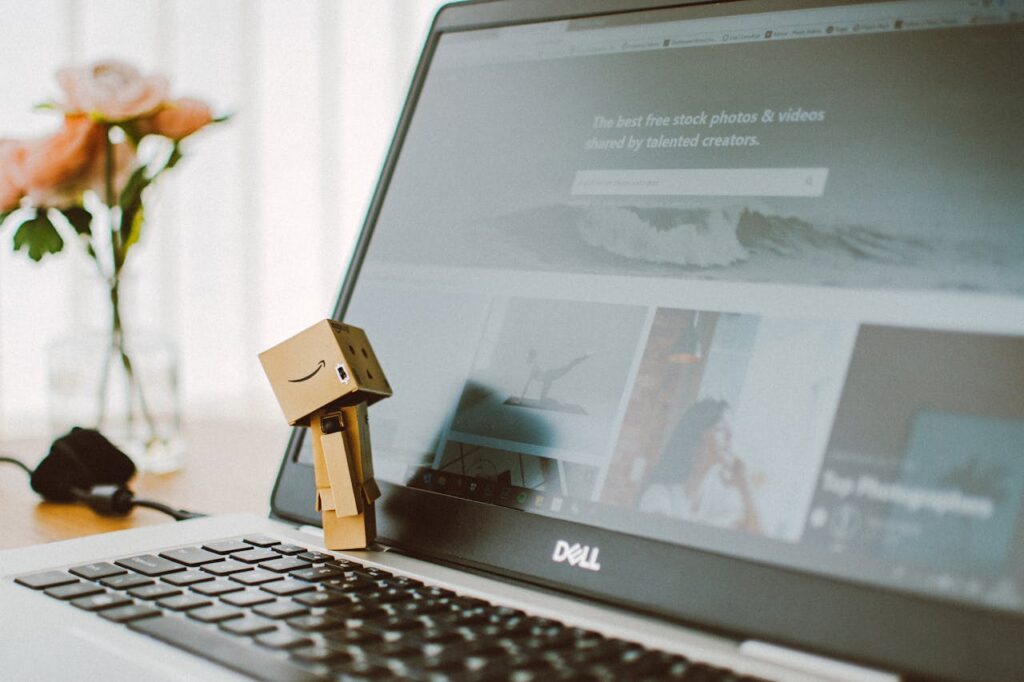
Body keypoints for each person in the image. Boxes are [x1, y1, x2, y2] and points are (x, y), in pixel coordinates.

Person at [639, 398, 761, 534]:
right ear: (695, 435)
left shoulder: (720, 496)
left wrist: (744, 486)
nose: (730, 436)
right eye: (721, 428)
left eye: (730, 430)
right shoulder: (660, 494)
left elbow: (758, 540)